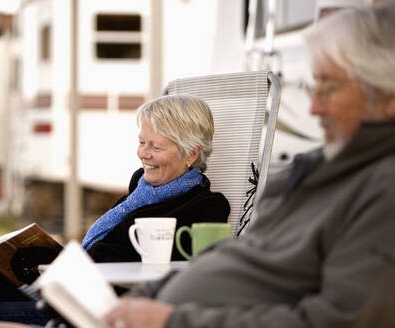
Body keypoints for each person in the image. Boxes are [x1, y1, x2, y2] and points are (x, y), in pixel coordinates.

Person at [101, 3, 395, 328]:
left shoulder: (382, 193)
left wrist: (171, 319)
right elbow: (233, 257)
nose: (313, 107)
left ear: (387, 96)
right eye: (314, 87)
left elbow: (337, 321)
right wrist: (139, 300)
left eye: (329, 87)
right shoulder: (313, 170)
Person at [0, 94, 230, 328]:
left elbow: (169, 273)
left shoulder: (206, 206)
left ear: (192, 153)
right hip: (69, 288)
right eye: (141, 142)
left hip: (97, 307)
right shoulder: (140, 193)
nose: (143, 153)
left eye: (155, 147)